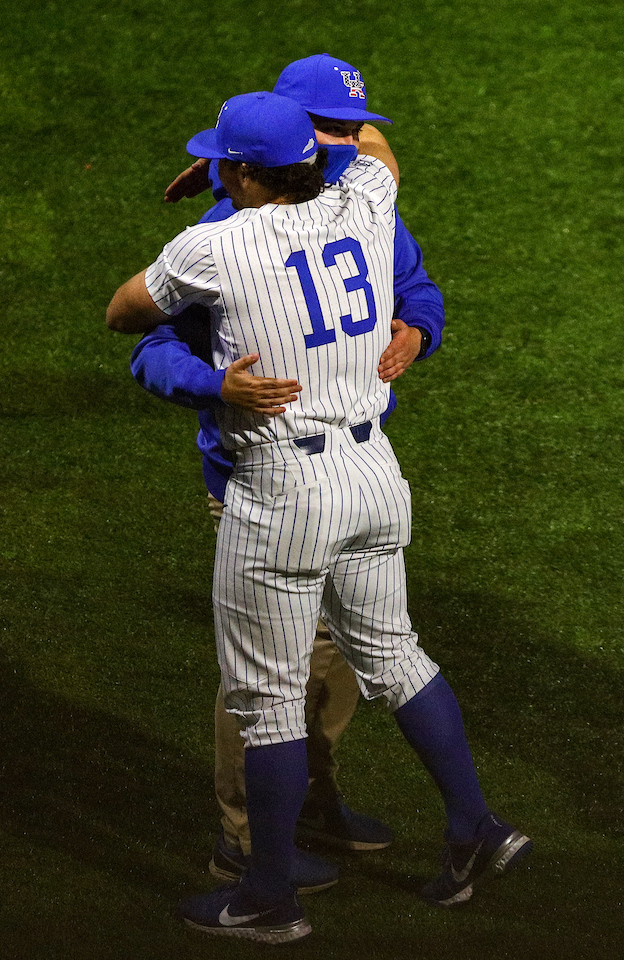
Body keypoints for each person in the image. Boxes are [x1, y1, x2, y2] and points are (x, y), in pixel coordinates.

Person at [107, 92, 529, 943]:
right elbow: (375, 147)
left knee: (264, 699)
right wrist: (276, 164)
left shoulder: (212, 244)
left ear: (245, 174)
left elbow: (123, 314)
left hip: (282, 487)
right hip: (376, 472)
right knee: (398, 655)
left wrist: (218, 197)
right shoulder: (367, 201)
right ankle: (475, 827)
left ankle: (265, 895)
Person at [130, 53, 446, 894]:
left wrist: (419, 326)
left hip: (344, 474)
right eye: (329, 132)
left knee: (337, 662)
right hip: (257, 480)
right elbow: (149, 342)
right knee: (272, 676)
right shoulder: (224, 229)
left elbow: (414, 283)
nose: (345, 144)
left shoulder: (357, 202)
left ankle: (305, 800)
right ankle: (243, 839)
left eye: (350, 130)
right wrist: (212, 382)